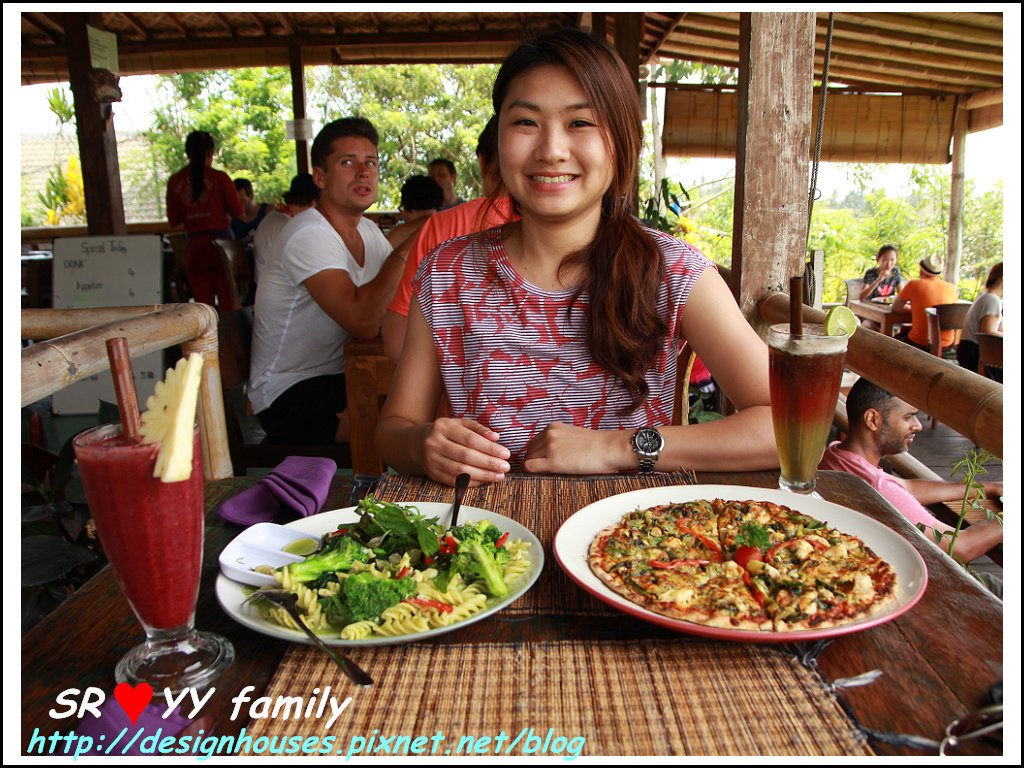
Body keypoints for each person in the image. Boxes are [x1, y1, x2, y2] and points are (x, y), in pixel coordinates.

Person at [376, 29, 776, 487]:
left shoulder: (673, 270)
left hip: (639, 542)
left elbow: (788, 425)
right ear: (498, 138)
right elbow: (393, 430)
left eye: (580, 123)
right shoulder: (447, 272)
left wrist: (616, 447)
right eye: (525, 122)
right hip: (485, 543)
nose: (550, 151)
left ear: (620, 141)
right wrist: (422, 445)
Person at [248, 117, 409, 445]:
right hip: (288, 391)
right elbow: (363, 320)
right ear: (320, 177)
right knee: (405, 423)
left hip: (339, 374)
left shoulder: (367, 230)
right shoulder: (309, 234)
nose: (363, 172)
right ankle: (376, 490)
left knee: (431, 390)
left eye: (371, 163)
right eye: (348, 162)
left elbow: (389, 303)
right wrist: (410, 250)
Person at [820, 378, 1002, 563]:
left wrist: (988, 488)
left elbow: (907, 488)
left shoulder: (835, 454)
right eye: (908, 417)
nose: (918, 425)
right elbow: (961, 547)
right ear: (873, 420)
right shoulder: (879, 487)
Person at [382, 117, 515, 362]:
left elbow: (396, 340)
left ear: (482, 162)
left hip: (452, 397)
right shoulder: (572, 227)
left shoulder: (440, 227)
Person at [166, 130, 245, 313]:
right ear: (211, 153)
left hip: (195, 247)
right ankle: (230, 341)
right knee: (229, 303)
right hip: (223, 247)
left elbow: (174, 221)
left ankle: (208, 342)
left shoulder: (175, 181)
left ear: (187, 153)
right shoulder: (220, 179)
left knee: (204, 307)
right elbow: (239, 212)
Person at [252, 172, 320, 283]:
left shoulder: (276, 218)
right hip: (277, 291)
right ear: (313, 202)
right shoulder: (287, 226)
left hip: (270, 285)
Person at [892, 254, 957, 350]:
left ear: (921, 270)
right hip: (947, 345)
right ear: (938, 273)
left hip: (921, 344)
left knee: (895, 340)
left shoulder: (914, 285)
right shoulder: (951, 288)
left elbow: (896, 307)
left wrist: (917, 310)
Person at [957, 261, 1003, 376]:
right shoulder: (992, 300)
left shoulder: (987, 296)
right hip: (974, 354)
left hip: (967, 350)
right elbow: (987, 332)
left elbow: (998, 327)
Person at [385, 175, 443, 250]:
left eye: (402, 208)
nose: (402, 214)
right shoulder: (451, 226)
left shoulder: (399, 234)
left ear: (409, 204)